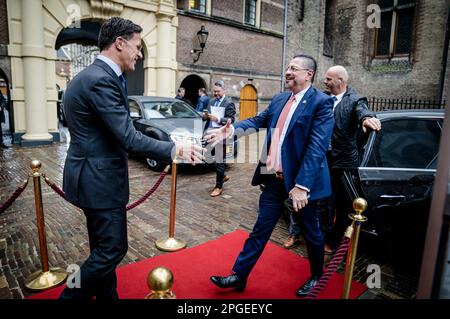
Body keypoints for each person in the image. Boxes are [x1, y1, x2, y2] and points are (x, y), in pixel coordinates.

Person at [59, 17, 203, 300]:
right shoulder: (102, 79)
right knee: (113, 249)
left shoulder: (88, 76)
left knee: (101, 249)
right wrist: (175, 149)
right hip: (100, 182)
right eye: (137, 46)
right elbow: (129, 137)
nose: (139, 53)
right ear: (120, 43)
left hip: (88, 178)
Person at [206, 54, 334, 297]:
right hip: (273, 180)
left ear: (309, 74)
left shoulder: (321, 102)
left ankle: (316, 276)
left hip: (301, 185)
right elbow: (257, 120)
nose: (287, 71)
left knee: (311, 232)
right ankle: (239, 275)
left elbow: (317, 147)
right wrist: (231, 130)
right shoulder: (279, 99)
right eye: (287, 67)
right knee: (260, 229)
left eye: (293, 68)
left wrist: (302, 186)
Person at [321, 65, 381, 253]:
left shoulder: (355, 100)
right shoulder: (322, 98)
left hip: (343, 163)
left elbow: (362, 111)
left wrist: (366, 118)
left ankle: (334, 240)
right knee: (322, 201)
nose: (325, 81)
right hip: (322, 158)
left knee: (342, 204)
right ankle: (318, 235)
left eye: (329, 79)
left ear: (341, 80)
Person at [204, 80, 236, 197]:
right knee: (206, 156)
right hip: (210, 134)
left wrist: (218, 119)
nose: (215, 93)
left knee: (219, 160)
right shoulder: (211, 101)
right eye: (214, 91)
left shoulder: (229, 103)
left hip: (222, 136)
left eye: (218, 91)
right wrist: (205, 116)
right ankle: (222, 175)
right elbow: (206, 118)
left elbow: (231, 120)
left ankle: (218, 187)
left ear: (223, 90)